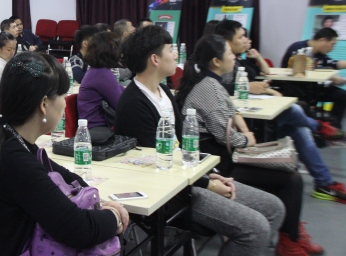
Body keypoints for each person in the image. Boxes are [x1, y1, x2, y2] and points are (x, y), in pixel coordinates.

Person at [116, 25, 285, 256]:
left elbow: (183, 148)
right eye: (170, 49)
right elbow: (156, 164)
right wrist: (208, 184)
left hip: (189, 179)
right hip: (171, 192)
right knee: (255, 228)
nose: (176, 55)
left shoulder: (164, 92)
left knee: (274, 207)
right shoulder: (134, 104)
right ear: (155, 59)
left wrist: (210, 174)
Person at [0, 52, 129, 255]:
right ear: (44, 104)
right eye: (63, 96)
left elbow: (72, 179)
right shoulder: (15, 161)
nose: (65, 103)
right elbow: (79, 229)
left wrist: (100, 204)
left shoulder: (9, 139)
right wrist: (115, 215)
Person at [175, 34, 323, 255]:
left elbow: (230, 111)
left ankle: (290, 234)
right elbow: (224, 135)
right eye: (230, 54)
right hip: (216, 165)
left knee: (288, 174)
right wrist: (246, 139)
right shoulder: (208, 87)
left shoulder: (210, 81)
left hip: (220, 156)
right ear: (216, 61)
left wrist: (244, 131)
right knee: (290, 180)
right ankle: (289, 239)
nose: (234, 58)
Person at [215, 20, 346, 203]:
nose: (246, 40)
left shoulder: (240, 60)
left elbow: (263, 74)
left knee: (299, 128)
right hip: (245, 125)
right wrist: (243, 87)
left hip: (256, 115)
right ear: (227, 41)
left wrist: (265, 82)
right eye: (241, 37)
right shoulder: (220, 64)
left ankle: (324, 182)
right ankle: (319, 128)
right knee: (294, 110)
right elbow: (216, 87)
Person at [280, 27, 346, 125]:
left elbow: (334, 63)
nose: (333, 48)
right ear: (323, 41)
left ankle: (334, 126)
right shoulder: (298, 48)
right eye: (332, 44)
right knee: (305, 103)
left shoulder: (319, 54)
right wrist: (331, 77)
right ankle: (319, 126)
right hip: (296, 89)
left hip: (314, 88)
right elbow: (301, 71)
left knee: (342, 95)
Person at [77, 31, 124, 134]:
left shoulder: (97, 71)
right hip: (98, 131)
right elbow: (122, 106)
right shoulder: (102, 74)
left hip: (98, 129)